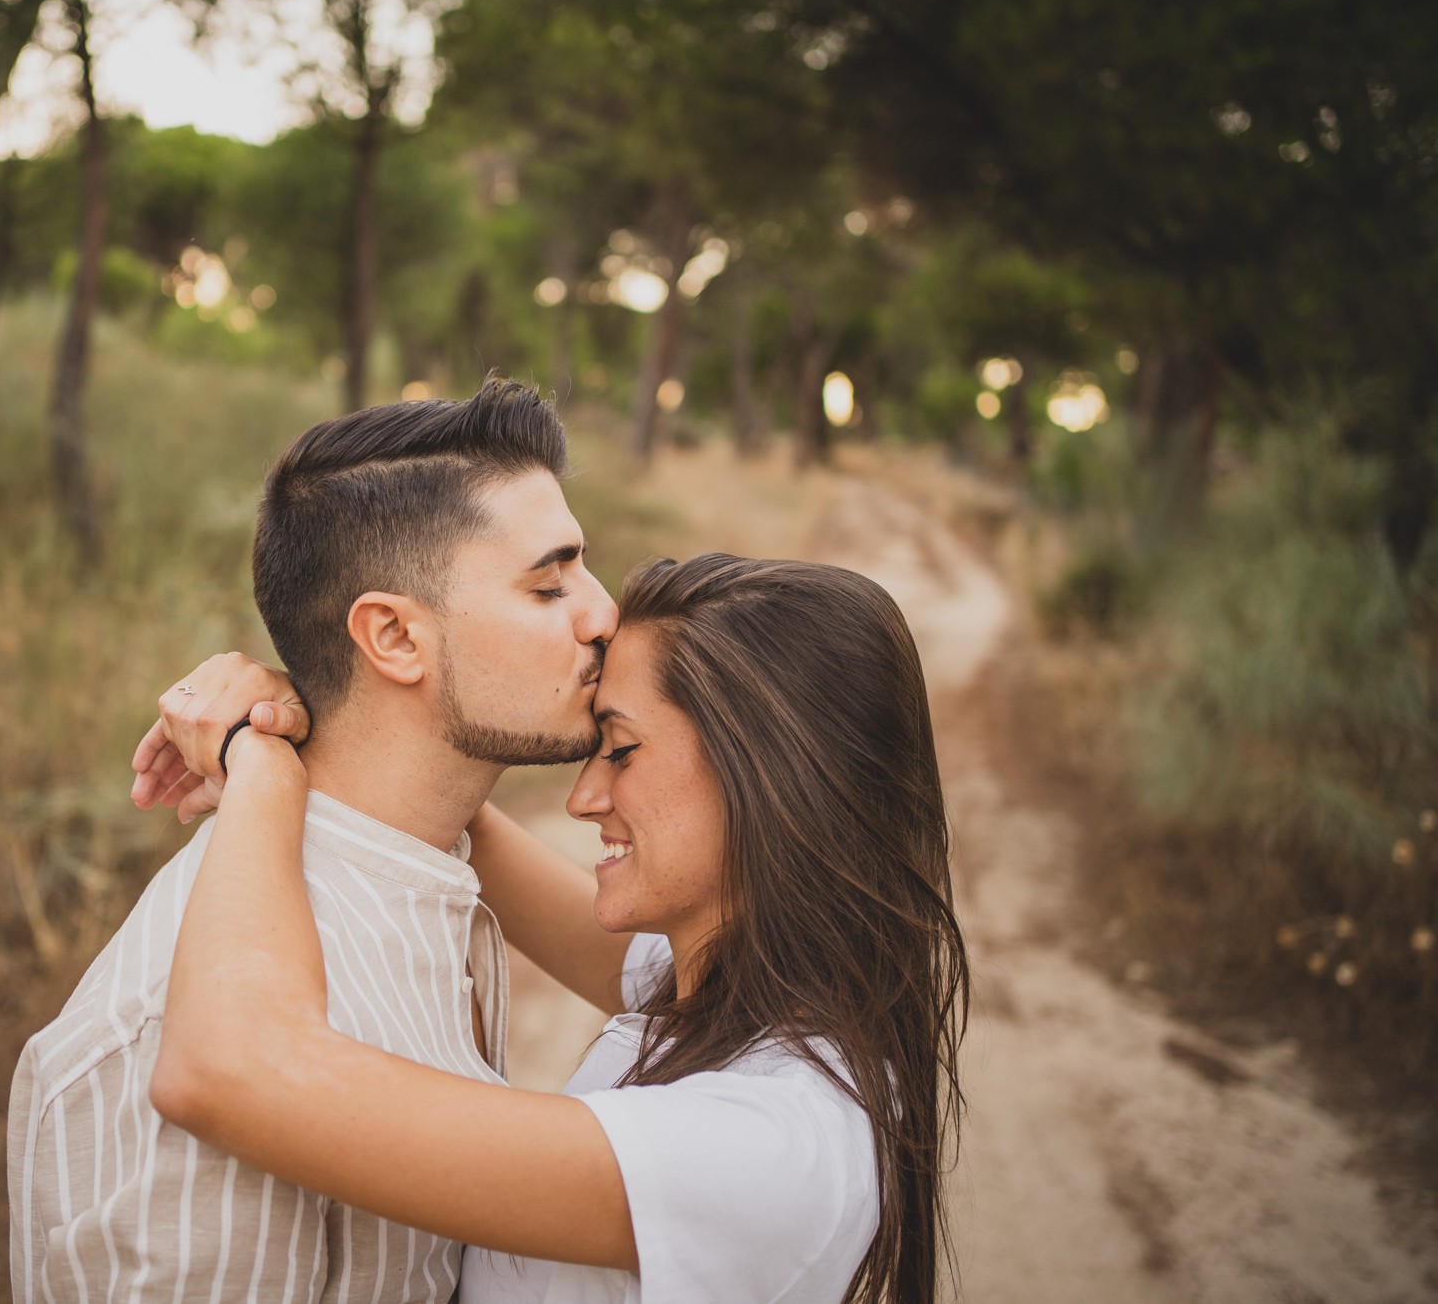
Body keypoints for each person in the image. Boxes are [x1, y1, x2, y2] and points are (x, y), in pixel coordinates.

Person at [145, 553, 970, 1303]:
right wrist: (315, 708)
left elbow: (221, 1069)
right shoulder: (743, 985)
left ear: (770, 778)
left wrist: (259, 767)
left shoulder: (772, 1145)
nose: (582, 798)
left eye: (619, 750)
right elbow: (446, 809)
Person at [6, 378, 618, 1302]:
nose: (603, 612)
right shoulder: (177, 1016)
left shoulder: (425, 873)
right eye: (549, 582)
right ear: (393, 638)